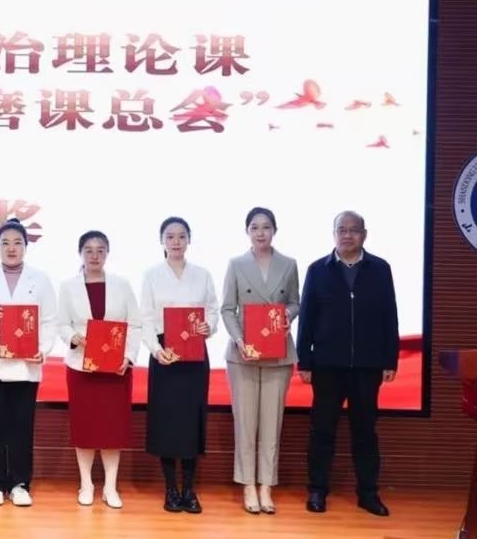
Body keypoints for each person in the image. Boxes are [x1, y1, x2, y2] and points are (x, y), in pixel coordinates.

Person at [297, 210, 399, 517]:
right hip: (327, 366)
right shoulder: (318, 270)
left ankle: (368, 494)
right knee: (322, 431)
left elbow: (390, 315)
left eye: (354, 230)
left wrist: (390, 358)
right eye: (342, 229)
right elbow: (307, 318)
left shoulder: (380, 269)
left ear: (364, 235)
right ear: (334, 234)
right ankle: (317, 491)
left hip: (367, 366)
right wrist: (304, 361)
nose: (347, 235)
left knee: (365, 432)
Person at [0, 218, 57, 508]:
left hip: (26, 365)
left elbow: (50, 321)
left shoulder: (40, 279)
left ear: (26, 246)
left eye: (17, 243)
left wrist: (43, 350)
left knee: (21, 426)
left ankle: (19, 483)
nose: (11, 248)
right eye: (5, 243)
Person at [220, 207, 300, 515]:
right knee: (245, 423)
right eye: (254, 227)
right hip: (243, 354)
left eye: (266, 227)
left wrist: (286, 316)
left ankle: (267, 485)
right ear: (247, 232)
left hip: (278, 352)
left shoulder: (289, 264)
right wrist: (240, 340)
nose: (260, 232)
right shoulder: (236, 264)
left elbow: (295, 302)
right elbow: (228, 308)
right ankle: (248, 485)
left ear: (274, 231)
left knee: (271, 423)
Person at [140, 216, 219, 514]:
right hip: (165, 353)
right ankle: (171, 489)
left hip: (195, 353)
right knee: (167, 421)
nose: (176, 241)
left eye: (181, 236)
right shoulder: (152, 275)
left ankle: (190, 490)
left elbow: (213, 310)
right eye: (170, 236)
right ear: (162, 240)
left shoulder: (202, 274)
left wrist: (208, 327)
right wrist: (156, 350)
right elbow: (146, 317)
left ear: (189, 240)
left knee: (191, 421)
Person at [57, 230, 140, 510]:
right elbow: (61, 323)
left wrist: (129, 356)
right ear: (80, 253)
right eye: (89, 250)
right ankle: (86, 484)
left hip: (115, 369)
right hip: (82, 367)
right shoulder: (68, 286)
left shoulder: (122, 284)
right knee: (85, 427)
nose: (94, 255)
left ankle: (110, 487)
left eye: (100, 250)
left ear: (108, 253)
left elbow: (135, 324)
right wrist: (73, 337)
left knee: (112, 429)